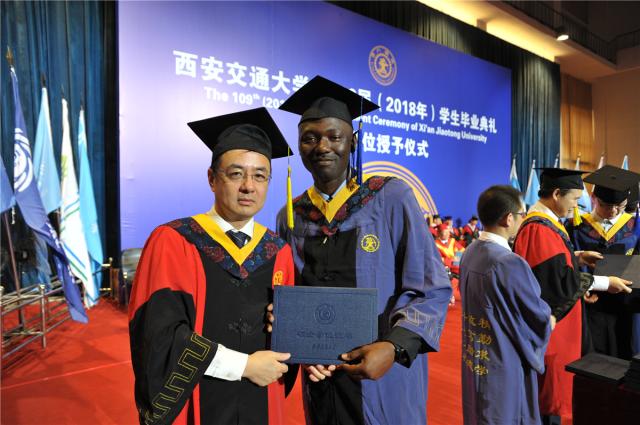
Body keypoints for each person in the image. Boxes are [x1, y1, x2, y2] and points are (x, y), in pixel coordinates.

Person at [277, 75, 452, 425]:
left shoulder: (390, 198)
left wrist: (393, 347)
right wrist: (300, 347)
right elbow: (291, 295)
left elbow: (431, 288)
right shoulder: (291, 216)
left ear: (353, 141)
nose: (322, 146)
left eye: (334, 136)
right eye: (309, 138)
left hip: (382, 375)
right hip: (322, 380)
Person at [128, 108, 296, 425]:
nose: (249, 186)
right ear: (212, 179)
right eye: (236, 174)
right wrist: (243, 366)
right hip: (199, 402)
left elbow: (290, 336)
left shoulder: (278, 251)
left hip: (260, 402)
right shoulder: (174, 241)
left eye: (260, 176)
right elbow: (160, 336)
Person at [513, 168, 632, 423]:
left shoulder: (546, 225)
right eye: (576, 199)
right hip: (553, 331)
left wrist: (576, 257)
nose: (577, 206)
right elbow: (556, 283)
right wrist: (605, 282)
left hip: (565, 327)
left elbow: (552, 267)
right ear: (557, 194)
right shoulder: (539, 229)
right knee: (548, 400)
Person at [460, 185, 553, 425]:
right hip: (503, 359)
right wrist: (549, 318)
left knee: (478, 411)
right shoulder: (508, 262)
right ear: (508, 218)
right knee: (505, 414)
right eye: (522, 214)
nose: (523, 219)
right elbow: (535, 314)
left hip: (477, 356)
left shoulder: (471, 251)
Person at [565, 165, 640, 359]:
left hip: (625, 306)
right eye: (605, 205)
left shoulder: (635, 227)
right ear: (593, 198)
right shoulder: (575, 226)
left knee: (625, 353)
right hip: (590, 303)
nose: (612, 211)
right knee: (591, 357)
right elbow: (567, 262)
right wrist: (581, 288)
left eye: (619, 206)